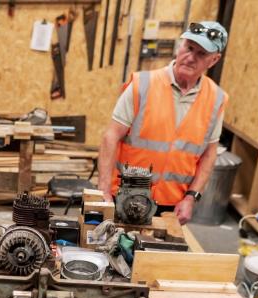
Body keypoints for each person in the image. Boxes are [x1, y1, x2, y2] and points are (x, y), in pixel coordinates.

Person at [98, 21, 229, 224]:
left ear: (214, 60)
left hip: (172, 205)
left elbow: (209, 154)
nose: (190, 57)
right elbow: (111, 136)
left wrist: (191, 197)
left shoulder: (216, 99)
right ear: (180, 46)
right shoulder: (142, 84)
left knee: (158, 255)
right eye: (189, 48)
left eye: (201, 53)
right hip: (125, 195)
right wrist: (103, 191)